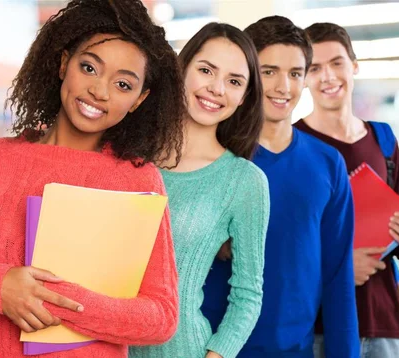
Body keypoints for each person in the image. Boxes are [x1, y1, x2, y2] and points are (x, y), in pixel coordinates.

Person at [0, 0, 185, 356]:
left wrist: (53, 301)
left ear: (139, 100)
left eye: (123, 84)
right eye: (89, 67)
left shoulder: (139, 180)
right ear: (63, 63)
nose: (100, 91)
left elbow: (161, 316)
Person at [201, 16, 359, 358]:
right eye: (268, 71)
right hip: (211, 347)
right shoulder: (211, 157)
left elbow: (337, 275)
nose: (283, 87)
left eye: (295, 73)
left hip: (294, 349)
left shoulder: (327, 164)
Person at [129, 22, 270, 358]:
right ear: (182, 70)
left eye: (234, 81)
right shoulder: (128, 155)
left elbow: (248, 295)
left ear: (244, 98)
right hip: (101, 347)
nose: (216, 88)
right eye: (206, 70)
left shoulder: (243, 181)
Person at [294, 22, 399, 357]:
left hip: (383, 317)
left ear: (354, 67)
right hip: (319, 325)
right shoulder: (291, 145)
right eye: (314, 68)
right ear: (304, 77)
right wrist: (338, 268)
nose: (327, 77)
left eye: (337, 63)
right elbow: (283, 249)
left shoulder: (383, 139)